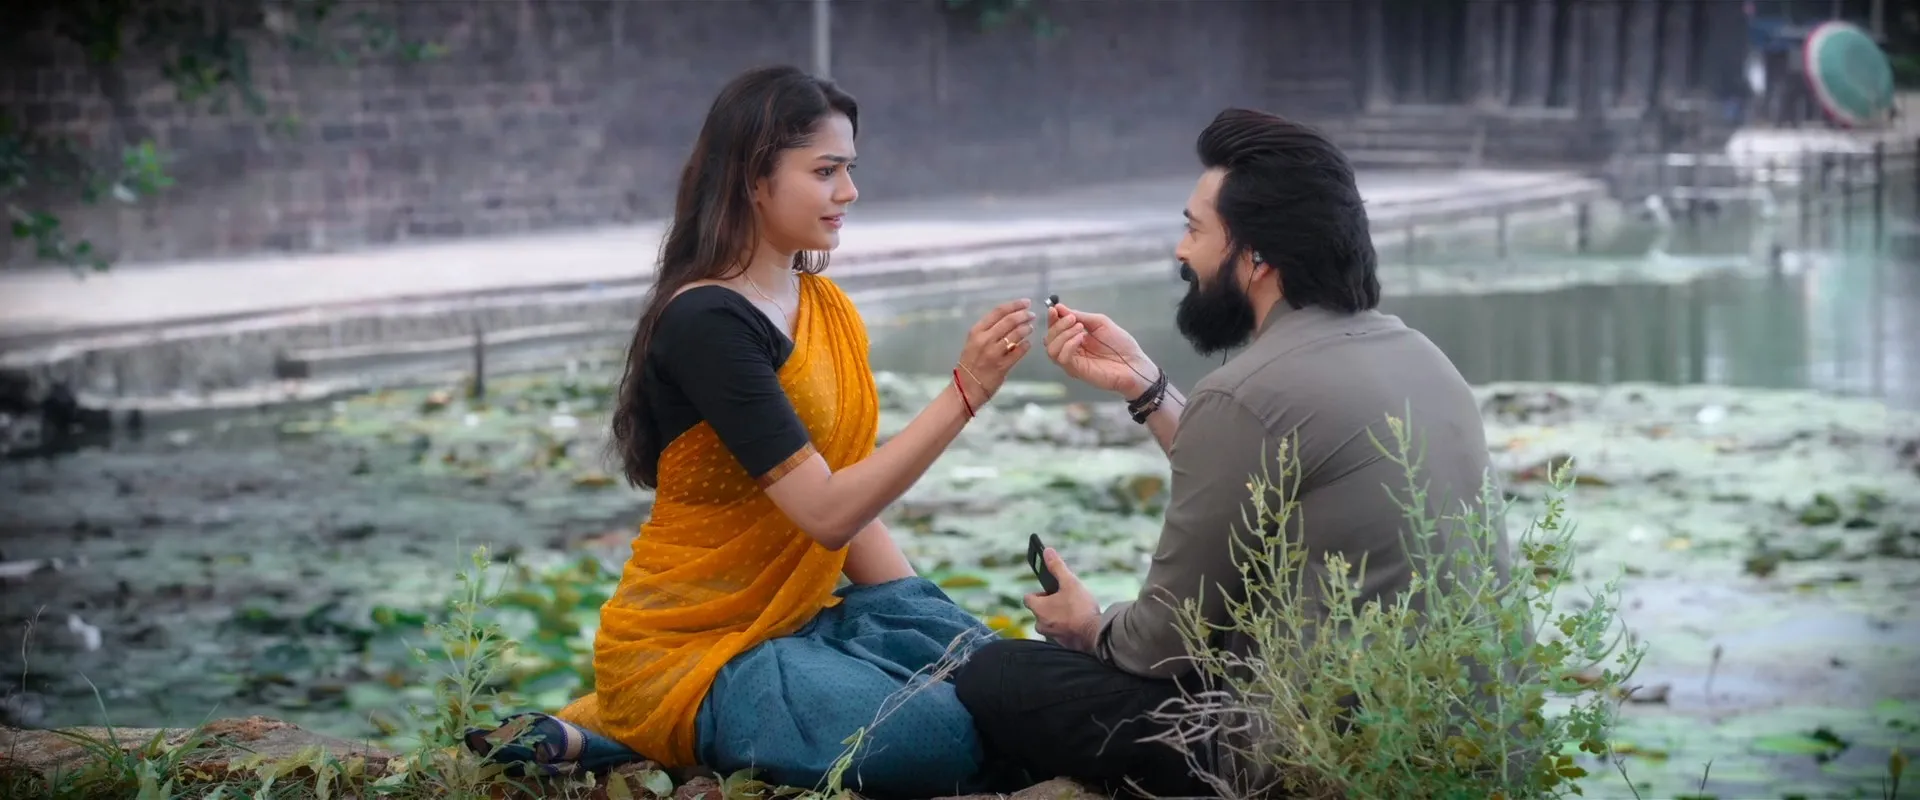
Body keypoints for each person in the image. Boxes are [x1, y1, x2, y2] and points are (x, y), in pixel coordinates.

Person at [464, 65, 1038, 799]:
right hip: (691, 647)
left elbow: (852, 506)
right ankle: (633, 720)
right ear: (753, 179)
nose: (849, 192)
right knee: (934, 737)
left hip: (797, 623)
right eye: (825, 171)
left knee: (1010, 690)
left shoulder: (827, 308)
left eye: (849, 169)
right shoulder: (707, 321)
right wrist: (966, 393)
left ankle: (605, 732)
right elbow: (826, 513)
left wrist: (927, 617)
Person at [952, 108, 1509, 798]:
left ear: (1256, 256)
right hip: (1456, 741)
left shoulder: (1251, 390)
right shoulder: (1422, 356)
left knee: (1000, 677)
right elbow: (1256, 476)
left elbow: (1162, 644)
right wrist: (1147, 388)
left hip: (1311, 755)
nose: (1181, 252)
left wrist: (1089, 626)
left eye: (1194, 230)